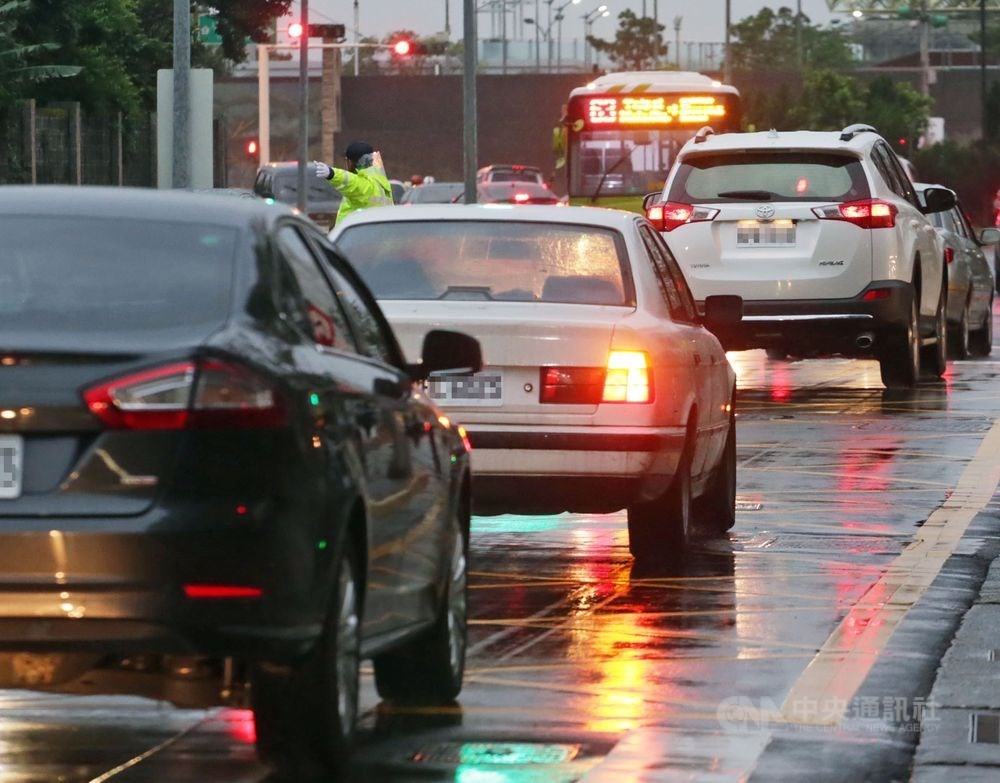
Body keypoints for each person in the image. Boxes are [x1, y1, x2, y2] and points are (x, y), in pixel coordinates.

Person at [312, 141, 393, 225]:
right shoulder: (380, 181)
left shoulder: (367, 184)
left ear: (350, 162)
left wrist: (331, 173)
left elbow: (352, 183)